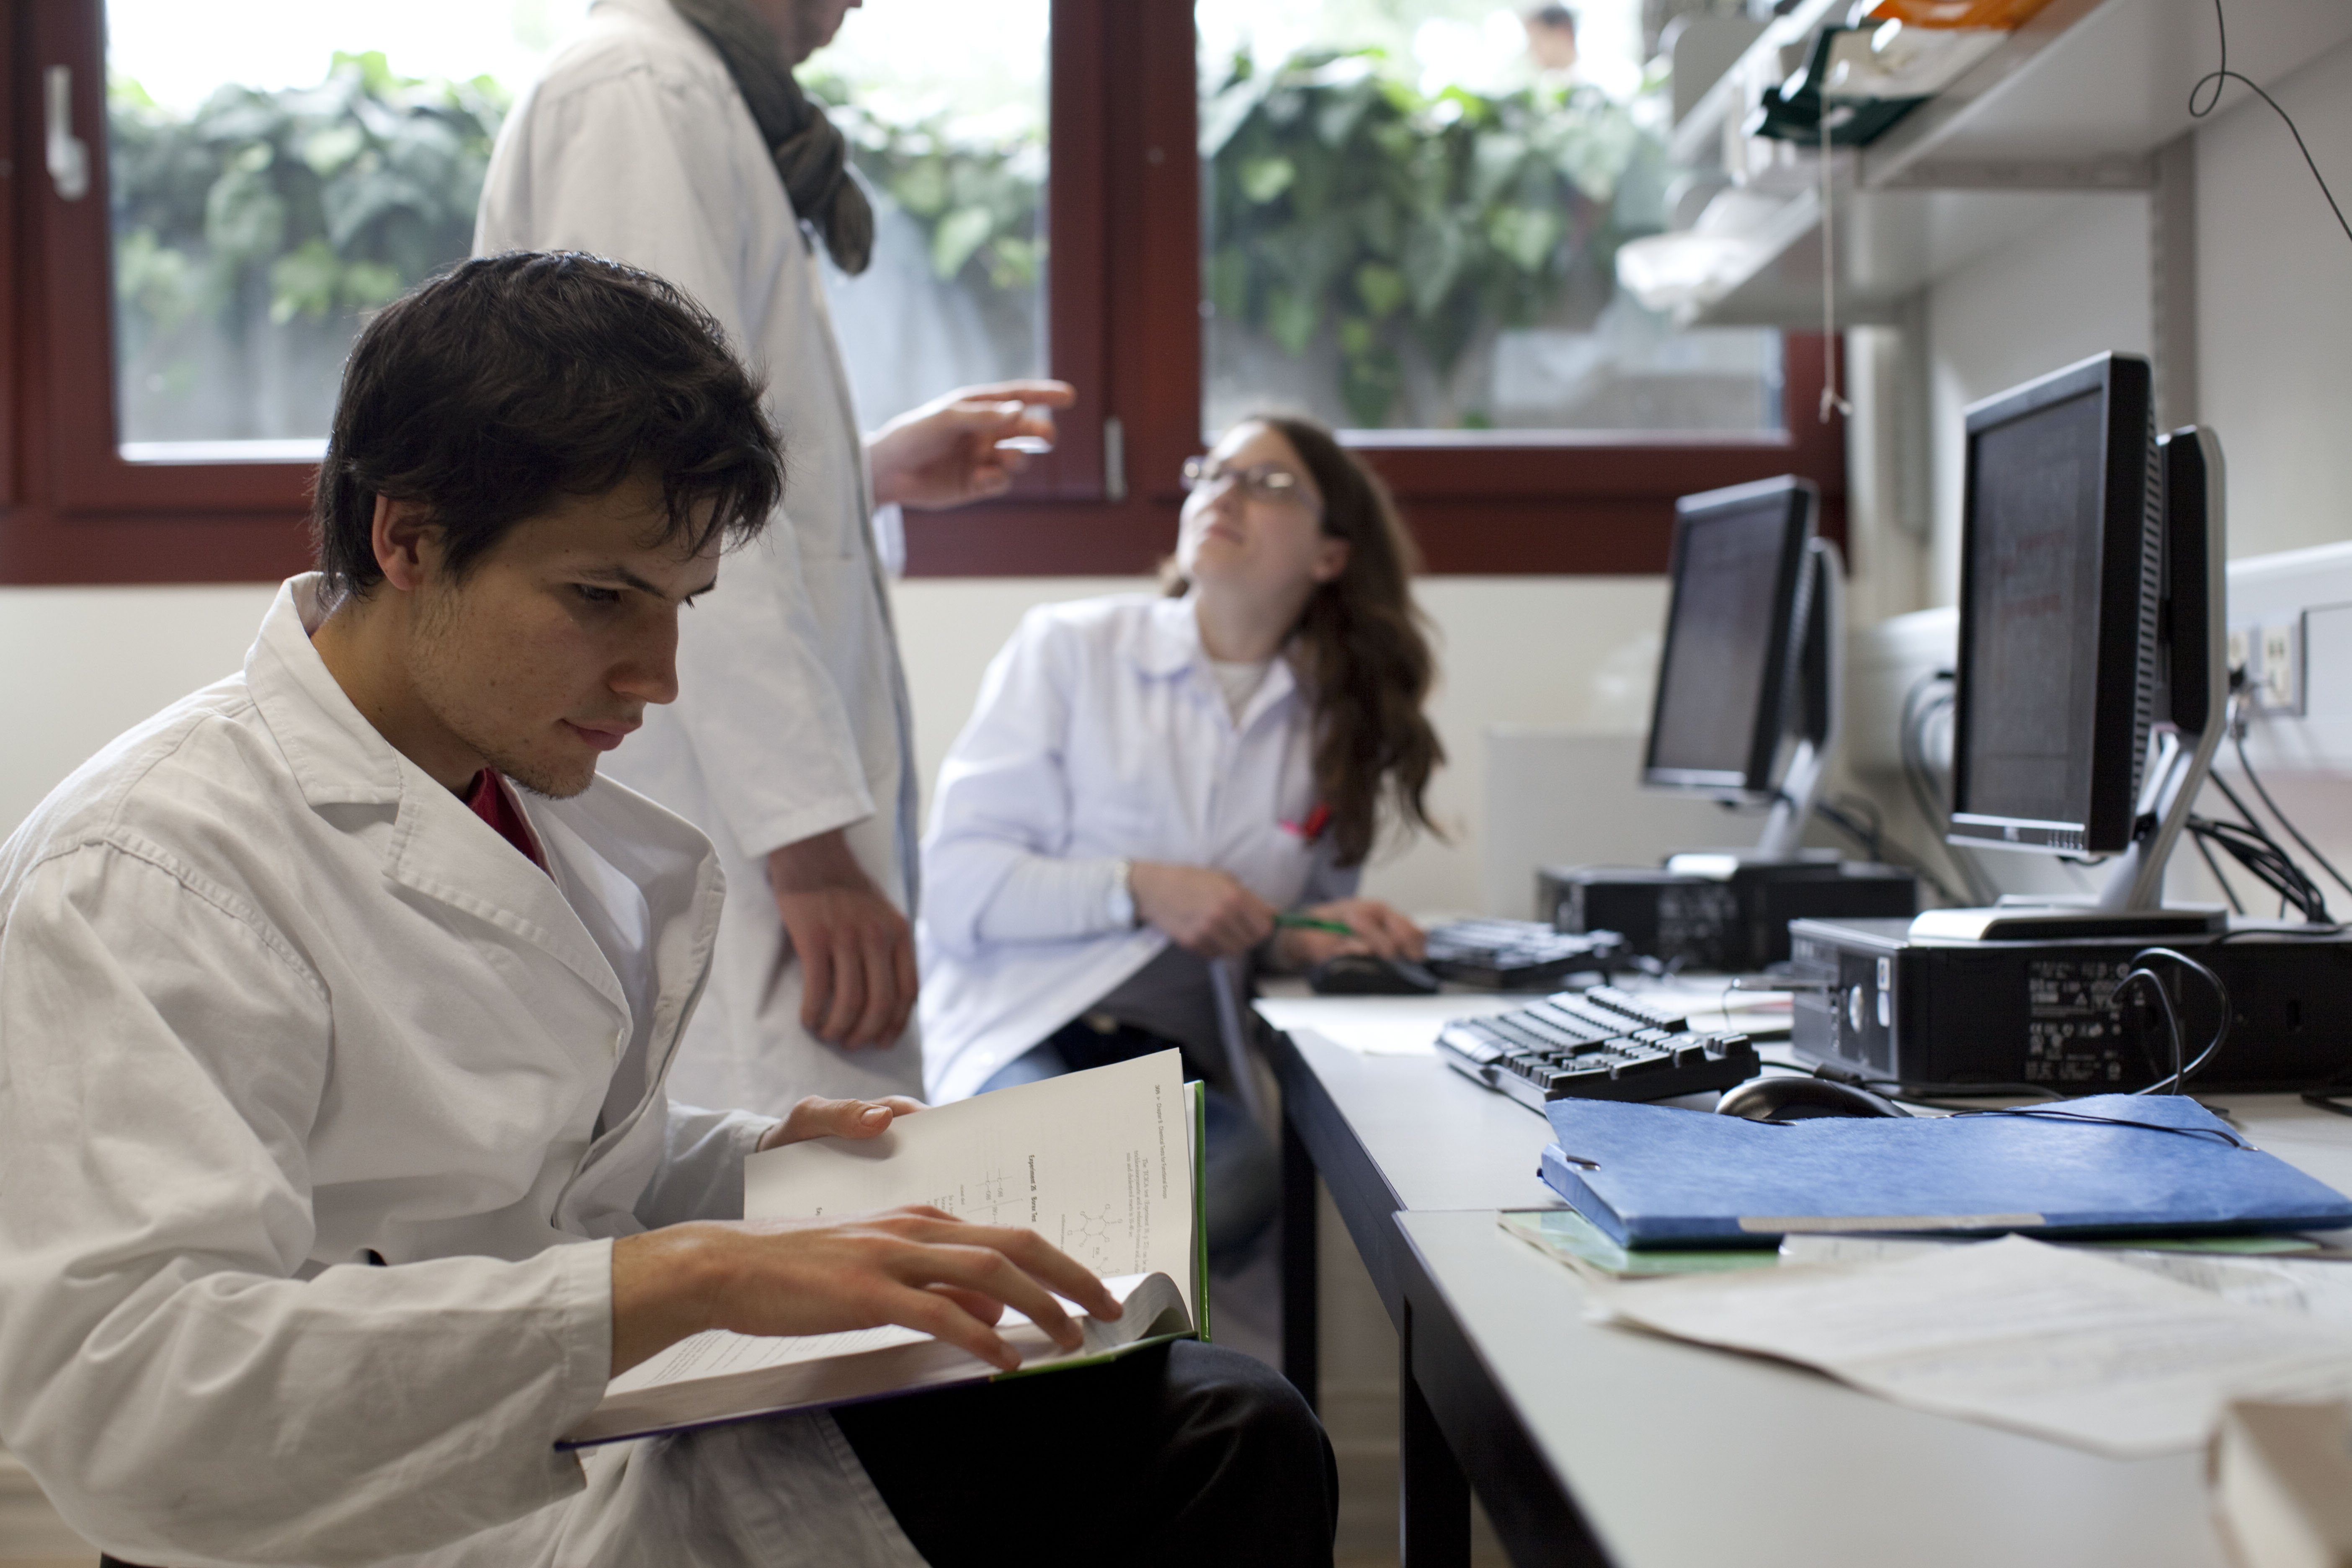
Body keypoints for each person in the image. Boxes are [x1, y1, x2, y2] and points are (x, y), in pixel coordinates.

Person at [0, 254, 1331, 1568]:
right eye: (601, 597)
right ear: (407, 538)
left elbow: (533, 1165)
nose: (660, 675)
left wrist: (761, 1160)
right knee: (1209, 1441)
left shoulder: (502, 781)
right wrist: (686, 1276)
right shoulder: (151, 867)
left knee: (1207, 1412)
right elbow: (132, 1400)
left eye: (682, 603)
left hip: (598, 1440)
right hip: (375, 1523)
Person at [476, 0, 1076, 1114]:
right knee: (777, 1164)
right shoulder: (641, 94)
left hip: (740, 816)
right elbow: (657, 500)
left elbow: (683, 472)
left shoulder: (697, 94)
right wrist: (809, 846)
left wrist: (867, 472)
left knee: (812, 1167)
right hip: (721, 824)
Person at [918, 415, 1445, 1257]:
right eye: (1213, 473)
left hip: (1162, 1060)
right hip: (1020, 1021)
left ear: (1330, 555)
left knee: (1239, 1186)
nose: (1225, 493)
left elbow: (1273, 927)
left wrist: (1307, 936)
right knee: (1048, 1188)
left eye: (1268, 484)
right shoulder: (1070, 648)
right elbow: (955, 888)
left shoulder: (1334, 723)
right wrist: (1138, 889)